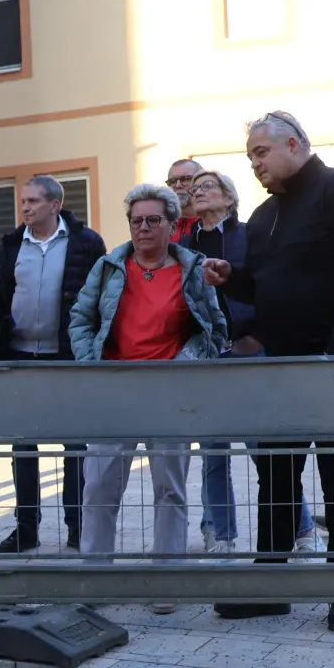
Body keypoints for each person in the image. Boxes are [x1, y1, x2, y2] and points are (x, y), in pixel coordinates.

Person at [203, 111, 334, 632]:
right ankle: (271, 588)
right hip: (283, 366)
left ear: (292, 144)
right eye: (250, 158)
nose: (255, 166)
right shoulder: (265, 217)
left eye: (260, 154)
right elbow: (268, 288)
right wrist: (231, 278)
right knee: (277, 479)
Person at [69, 182, 227, 614]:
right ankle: (95, 581)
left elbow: (214, 329)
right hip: (114, 391)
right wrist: (92, 364)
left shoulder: (192, 270)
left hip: (170, 393)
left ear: (173, 225)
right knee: (99, 485)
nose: (143, 227)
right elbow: (80, 318)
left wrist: (185, 364)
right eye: (136, 220)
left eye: (153, 219)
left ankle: (165, 581)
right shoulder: (108, 267)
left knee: (170, 491)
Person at [180, 170, 322, 557]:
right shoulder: (184, 244)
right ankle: (222, 536)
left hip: (250, 351)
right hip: (208, 356)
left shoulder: (249, 235)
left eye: (208, 186)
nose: (198, 193)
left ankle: (303, 527)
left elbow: (269, 288)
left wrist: (258, 335)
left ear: (229, 197)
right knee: (213, 450)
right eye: (195, 190)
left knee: (265, 450)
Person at [0, 175, 108, 553]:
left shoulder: (87, 243)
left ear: (55, 205)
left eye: (33, 201)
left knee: (74, 445)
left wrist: (95, 354)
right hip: (19, 358)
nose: (25, 207)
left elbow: (101, 303)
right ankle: (26, 527)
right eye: (23, 201)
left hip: (67, 357)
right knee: (23, 445)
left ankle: (76, 526)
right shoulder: (11, 244)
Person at [165, 159, 205, 244]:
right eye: (172, 181)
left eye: (186, 179)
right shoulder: (164, 225)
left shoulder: (214, 224)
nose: (178, 185)